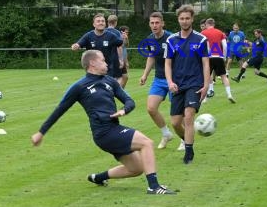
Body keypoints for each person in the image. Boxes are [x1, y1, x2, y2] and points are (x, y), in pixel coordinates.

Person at [31, 50, 175, 195]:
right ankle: (154, 187)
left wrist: (124, 110)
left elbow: (129, 101)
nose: (106, 63)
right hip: (104, 133)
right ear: (92, 63)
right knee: (146, 143)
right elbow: (59, 110)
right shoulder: (79, 86)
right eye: (103, 60)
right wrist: (41, 132)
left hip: (114, 129)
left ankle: (98, 178)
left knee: (136, 169)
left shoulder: (109, 81)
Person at [165, 5, 210, 164]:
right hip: (177, 85)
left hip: (195, 84)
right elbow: (168, 64)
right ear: (178, 20)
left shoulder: (201, 40)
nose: (184, 21)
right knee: (176, 123)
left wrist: (206, 85)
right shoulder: (171, 40)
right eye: (182, 18)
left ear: (192, 19)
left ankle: (189, 153)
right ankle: (186, 140)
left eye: (187, 18)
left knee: (189, 116)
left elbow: (206, 64)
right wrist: (170, 82)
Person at [139, 12, 178, 150]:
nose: (154, 25)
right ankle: (166, 134)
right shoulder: (150, 39)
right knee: (151, 108)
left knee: (177, 114)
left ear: (162, 23)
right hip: (159, 79)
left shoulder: (172, 38)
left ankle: (185, 140)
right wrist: (145, 75)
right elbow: (151, 57)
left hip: (175, 80)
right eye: (152, 23)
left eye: (157, 22)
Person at [71, 13, 123, 79]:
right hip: (92, 71)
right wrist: (75, 46)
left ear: (105, 23)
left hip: (107, 70)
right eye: (98, 21)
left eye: (102, 21)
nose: (101, 23)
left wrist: (125, 39)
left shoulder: (111, 36)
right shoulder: (88, 36)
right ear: (94, 24)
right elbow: (78, 44)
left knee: (107, 88)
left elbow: (121, 44)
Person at [201, 18, 236, 103]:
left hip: (208, 57)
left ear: (206, 24)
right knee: (224, 76)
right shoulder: (221, 33)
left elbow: (203, 46)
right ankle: (229, 95)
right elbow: (224, 45)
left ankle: (204, 98)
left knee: (205, 77)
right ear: (214, 24)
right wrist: (223, 57)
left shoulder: (203, 33)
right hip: (219, 56)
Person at [106, 14, 125, 85]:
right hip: (114, 57)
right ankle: (114, 92)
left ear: (107, 22)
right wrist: (121, 59)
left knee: (106, 77)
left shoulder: (103, 31)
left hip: (104, 58)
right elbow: (119, 46)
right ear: (116, 22)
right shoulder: (117, 32)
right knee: (119, 77)